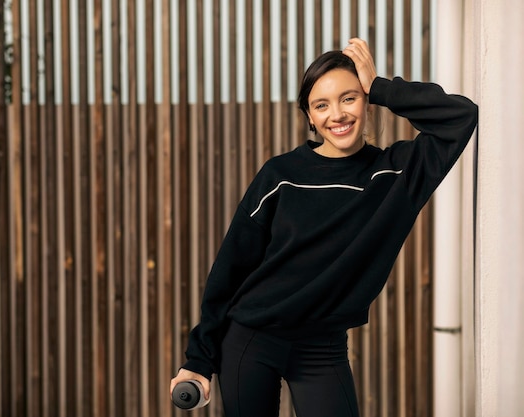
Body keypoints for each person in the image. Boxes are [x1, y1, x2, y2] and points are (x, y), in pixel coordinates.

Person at [169, 38, 478, 417]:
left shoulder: (397, 174)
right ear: (310, 117)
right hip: (251, 338)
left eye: (349, 98)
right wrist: (198, 359)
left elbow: (460, 117)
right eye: (322, 105)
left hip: (322, 347)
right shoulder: (280, 176)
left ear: (365, 101)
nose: (338, 114)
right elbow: (230, 269)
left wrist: (380, 85)